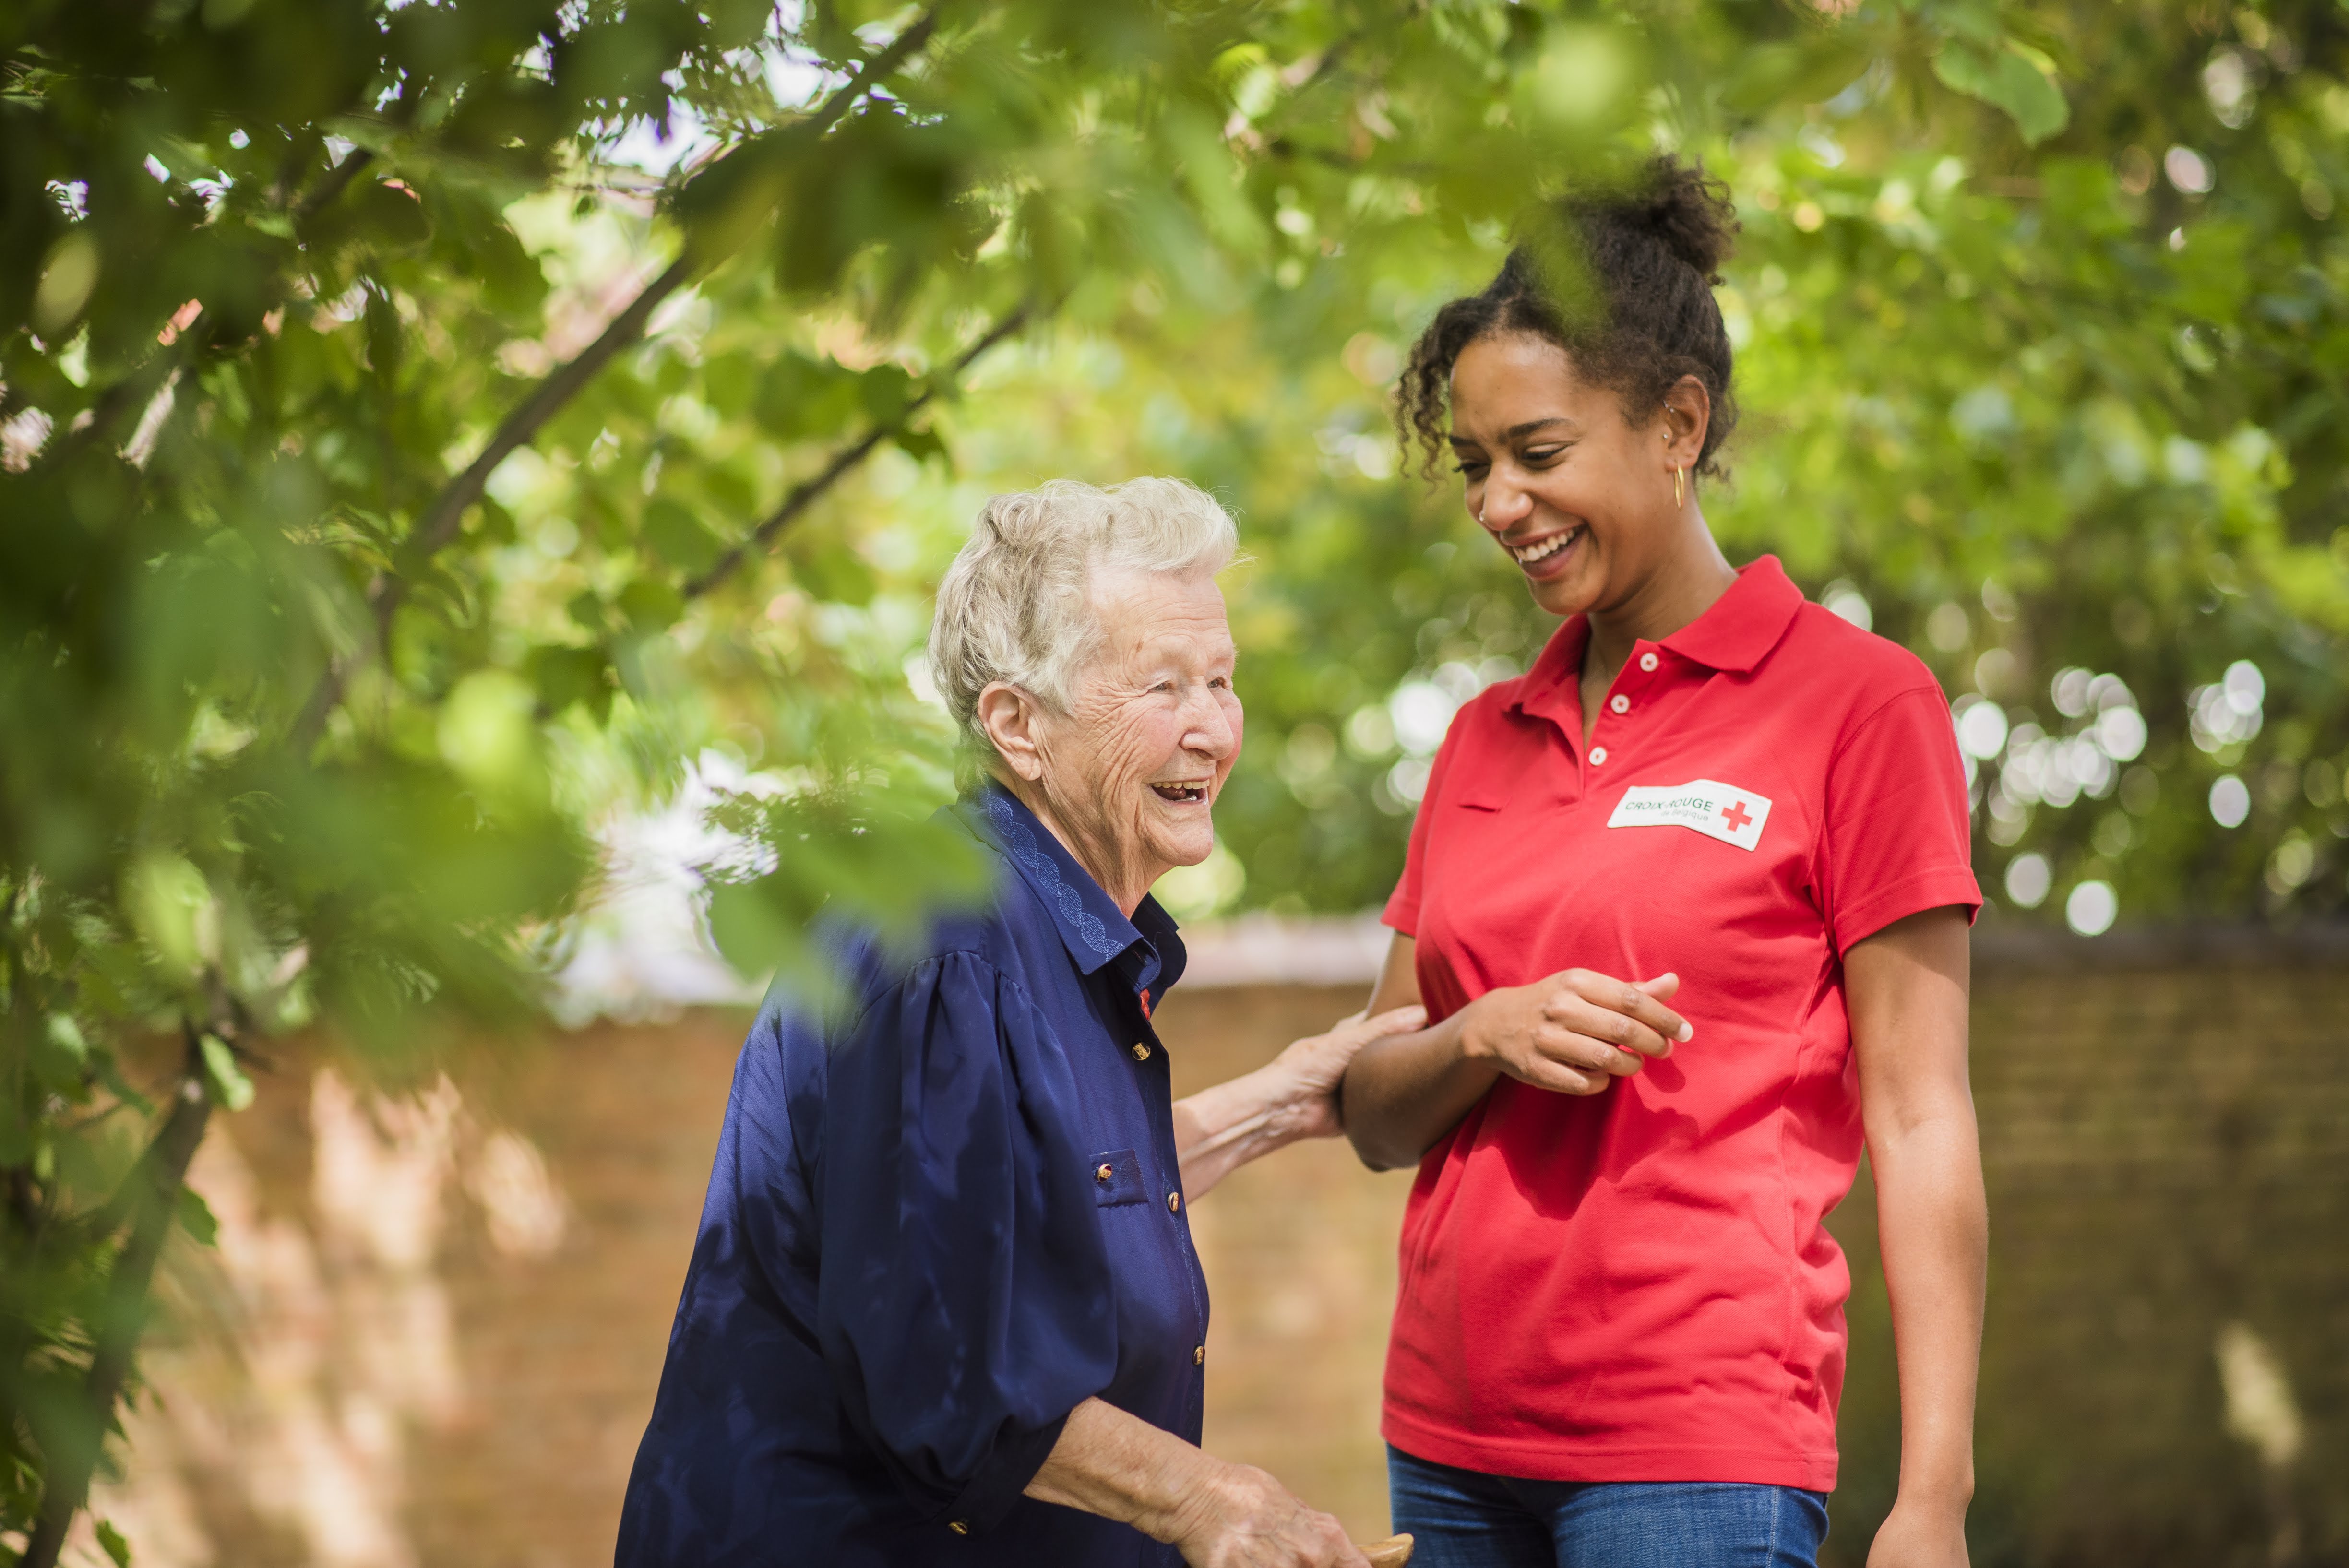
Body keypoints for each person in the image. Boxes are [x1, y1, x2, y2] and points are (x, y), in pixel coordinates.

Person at [1337, 160, 1988, 1568]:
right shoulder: (1481, 736)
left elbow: (1923, 1114)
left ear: (1678, 424)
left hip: (1694, 1451)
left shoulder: (1859, 705)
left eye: (1539, 450)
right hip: (1446, 1445)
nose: (1499, 500)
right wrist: (1483, 1032)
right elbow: (1375, 1106)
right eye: (1476, 463)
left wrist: (1933, 1495)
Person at [615, 477, 1423, 1568]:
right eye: (1162, 685)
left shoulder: (1046, 930)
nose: (1212, 727)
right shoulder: (944, 953)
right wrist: (1214, 1502)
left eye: (1222, 679)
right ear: (1017, 724)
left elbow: (1047, 1202)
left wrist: (1283, 1098)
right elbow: (946, 1372)